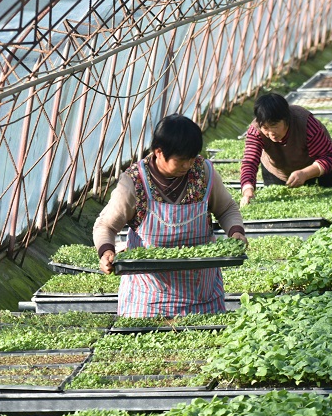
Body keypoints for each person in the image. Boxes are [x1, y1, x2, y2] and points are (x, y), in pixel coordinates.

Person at [93, 114, 247, 317]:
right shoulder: (134, 182)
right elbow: (106, 226)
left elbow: (226, 208)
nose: (188, 166)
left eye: (192, 158)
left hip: (202, 297)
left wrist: (236, 232)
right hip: (148, 301)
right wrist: (106, 251)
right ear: (159, 152)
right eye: (181, 160)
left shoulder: (203, 173)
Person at [239, 92, 332, 207]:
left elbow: (329, 156)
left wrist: (305, 173)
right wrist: (247, 191)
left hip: (314, 167)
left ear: (286, 119)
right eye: (265, 128)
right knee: (278, 206)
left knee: (329, 202)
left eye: (274, 126)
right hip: (277, 170)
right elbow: (249, 162)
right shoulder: (256, 130)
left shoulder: (306, 123)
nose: (271, 133)